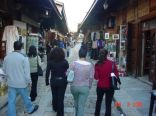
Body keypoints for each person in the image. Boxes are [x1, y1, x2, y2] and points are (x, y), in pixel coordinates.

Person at [3, 41, 39, 116]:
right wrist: (29, 82)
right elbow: (27, 72)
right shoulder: (23, 58)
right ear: (21, 47)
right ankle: (30, 109)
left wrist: (6, 80)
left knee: (11, 100)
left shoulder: (7, 57)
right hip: (21, 83)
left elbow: (4, 70)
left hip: (11, 82)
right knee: (25, 97)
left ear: (14, 47)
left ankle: (11, 114)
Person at [94, 49, 121, 116]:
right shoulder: (112, 63)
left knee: (98, 102)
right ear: (107, 55)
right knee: (108, 104)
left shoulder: (97, 64)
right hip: (110, 86)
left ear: (99, 54)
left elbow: (96, 77)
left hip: (100, 86)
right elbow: (116, 74)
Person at [70, 47, 94, 116]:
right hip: (84, 87)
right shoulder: (90, 65)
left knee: (76, 103)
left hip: (74, 86)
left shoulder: (73, 63)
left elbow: (69, 74)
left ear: (79, 54)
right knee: (81, 105)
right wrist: (89, 86)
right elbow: (91, 77)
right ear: (86, 55)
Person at [45, 47, 69, 116]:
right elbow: (67, 67)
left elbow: (47, 72)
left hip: (54, 81)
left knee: (54, 95)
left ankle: (55, 107)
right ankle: (60, 113)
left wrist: (47, 81)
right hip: (62, 81)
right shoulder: (64, 62)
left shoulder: (50, 62)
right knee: (60, 98)